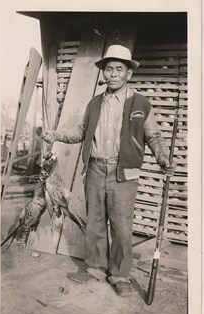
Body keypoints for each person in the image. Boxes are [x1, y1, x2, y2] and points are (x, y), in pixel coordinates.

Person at [42, 45, 172, 297]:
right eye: (109, 69)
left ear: (128, 74)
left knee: (121, 226)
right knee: (95, 222)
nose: (113, 74)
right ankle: (95, 268)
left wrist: (163, 158)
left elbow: (154, 137)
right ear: (103, 72)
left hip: (123, 173)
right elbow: (80, 133)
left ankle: (120, 275)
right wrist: (56, 134)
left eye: (119, 69)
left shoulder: (141, 104)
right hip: (95, 169)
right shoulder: (94, 104)